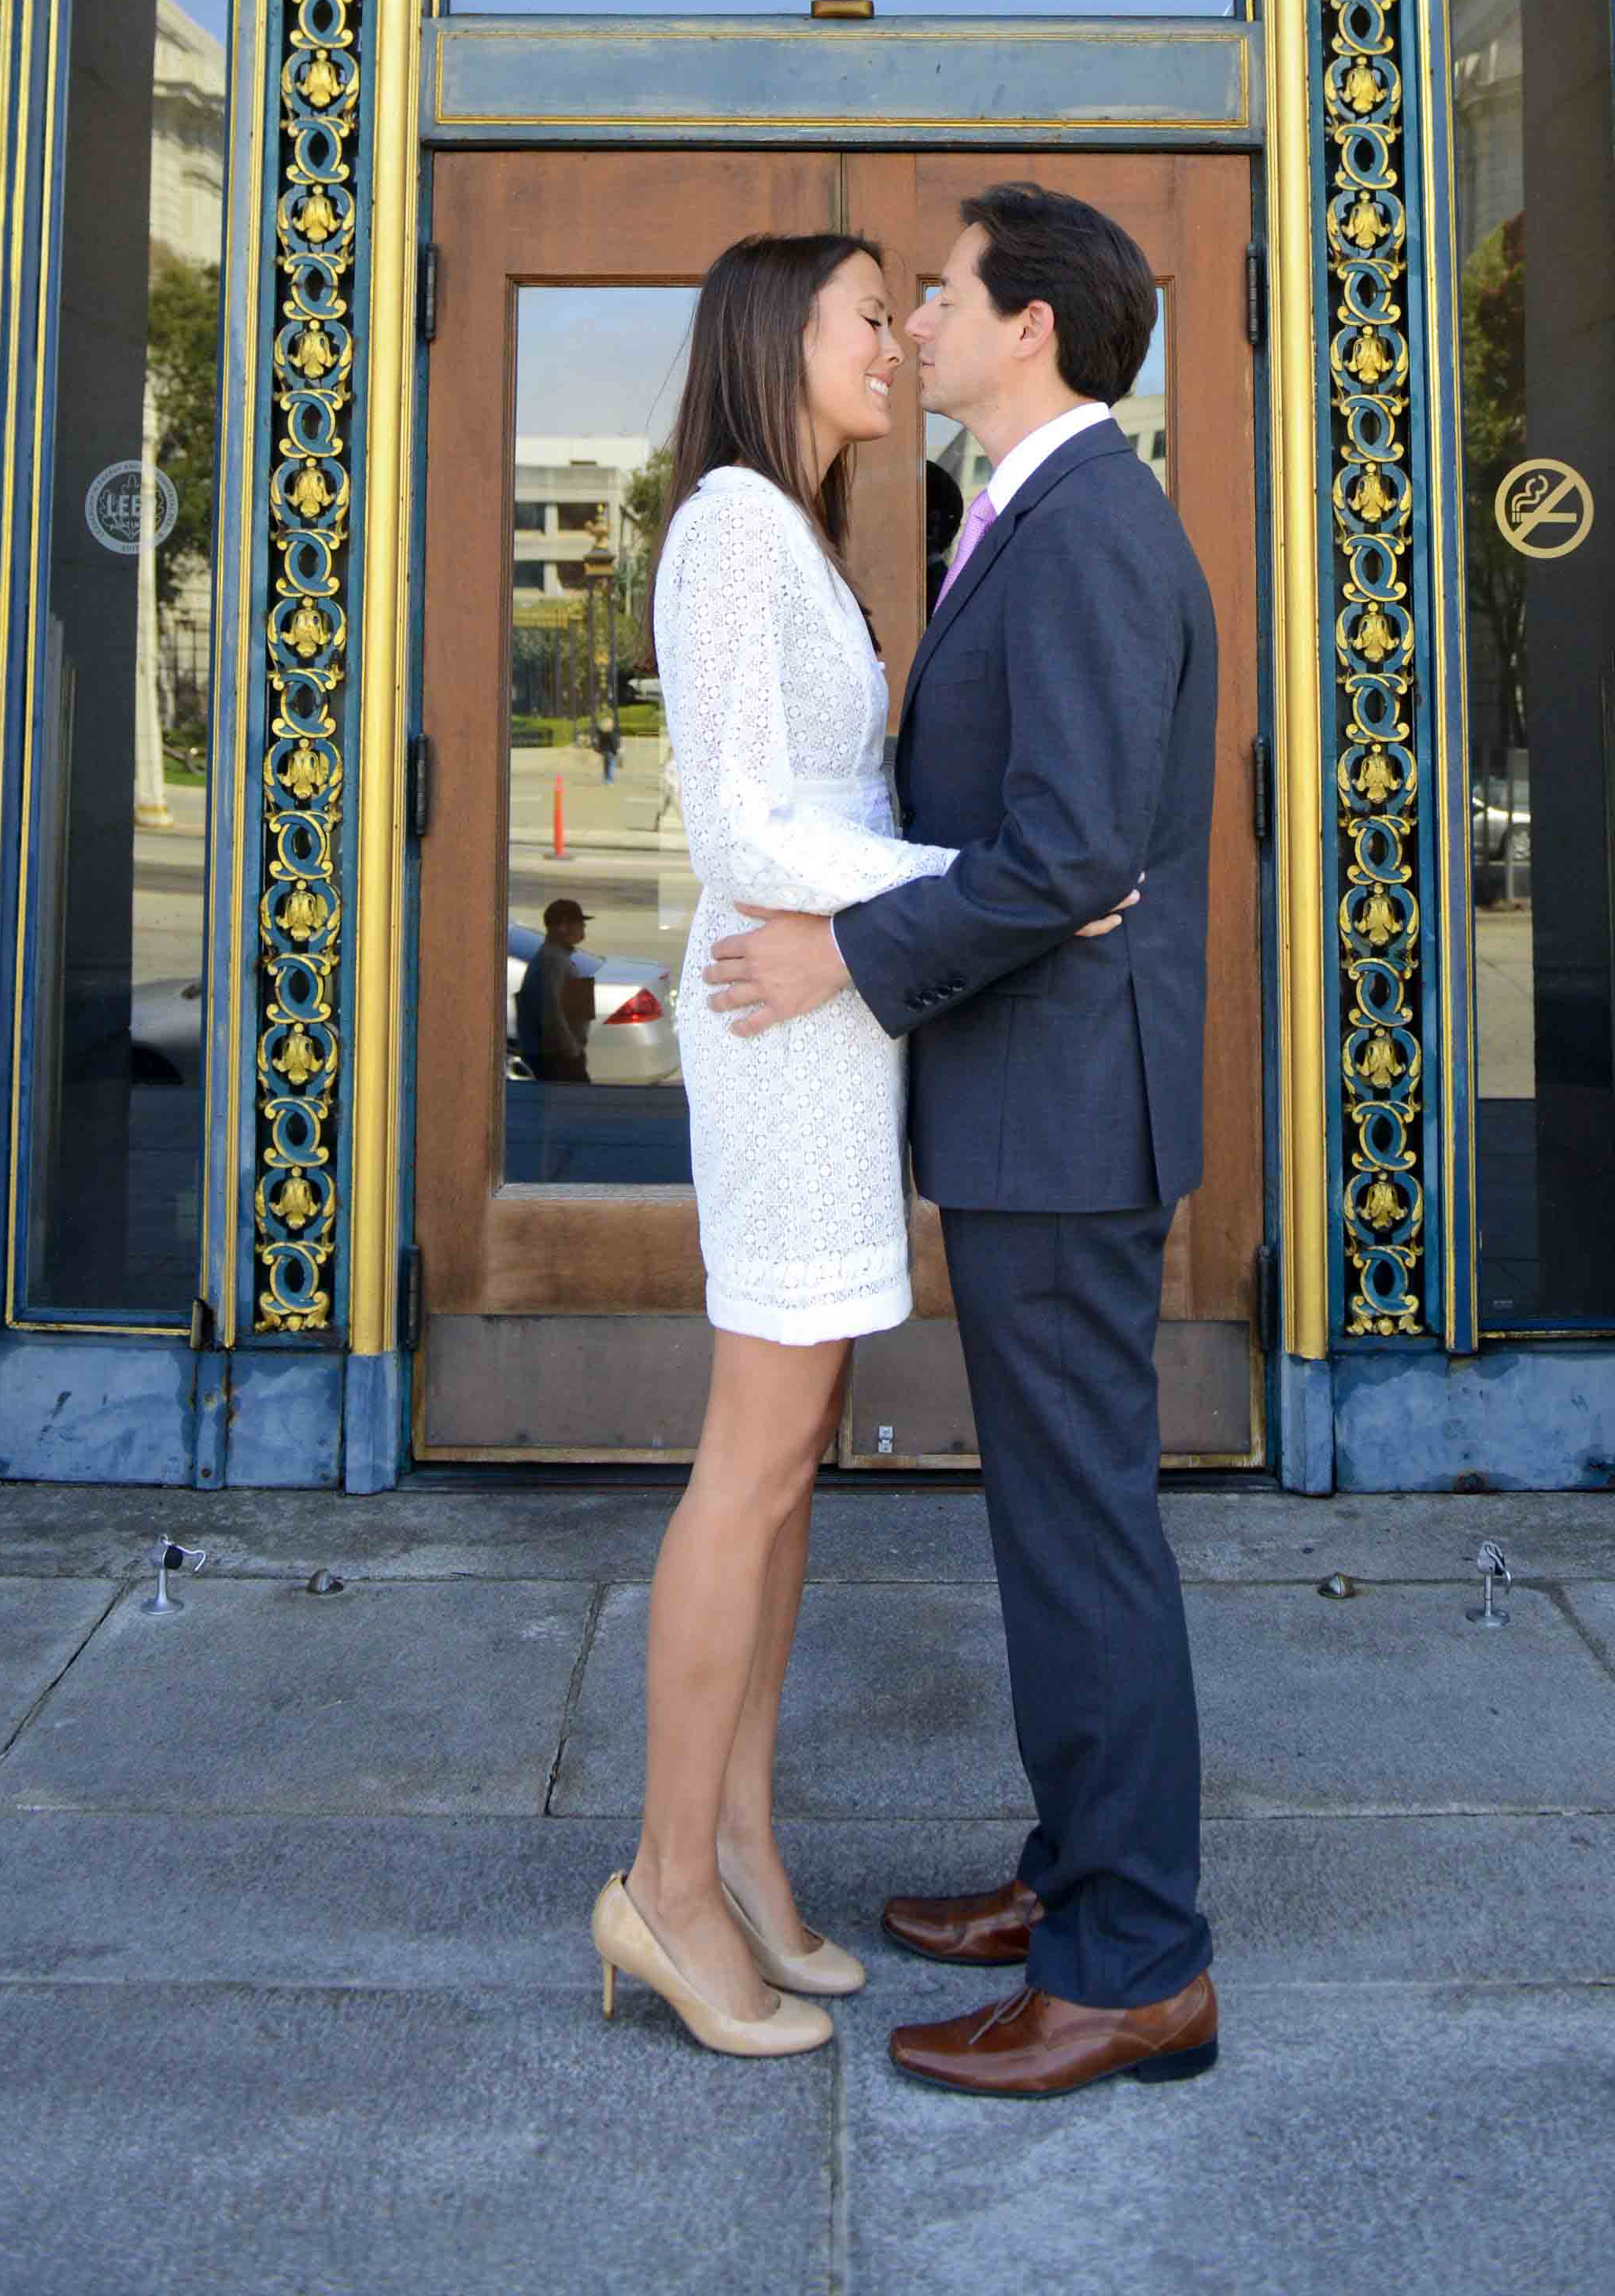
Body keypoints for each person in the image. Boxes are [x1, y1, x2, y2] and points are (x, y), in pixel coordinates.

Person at [590, 228, 1129, 2065]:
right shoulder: (732, 520)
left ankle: (742, 1848)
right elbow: (744, 828)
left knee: (791, 1452)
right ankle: (661, 1886)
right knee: (745, 1464)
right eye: (857, 311)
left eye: (907, 307)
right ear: (770, 334)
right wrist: (981, 896)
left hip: (833, 1024)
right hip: (779, 1016)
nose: (892, 338)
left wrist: (924, 907)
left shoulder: (797, 528)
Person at [705, 183, 1220, 2100]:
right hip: (1036, 1101)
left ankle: (1130, 1965)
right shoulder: (1029, 510)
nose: (914, 320)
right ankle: (1073, 1879)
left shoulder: (1081, 524)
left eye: (940, 294)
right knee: (1055, 1525)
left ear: (1035, 330)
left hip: (1065, 1120)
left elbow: (1075, 850)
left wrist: (846, 944)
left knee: (1078, 1535)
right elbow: (1039, 848)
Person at [512, 897, 595, 1083]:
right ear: (563, 926)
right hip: (558, 1059)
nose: (583, 928)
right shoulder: (553, 959)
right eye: (579, 923)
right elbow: (552, 1010)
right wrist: (571, 1051)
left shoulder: (556, 957)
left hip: (559, 1056)